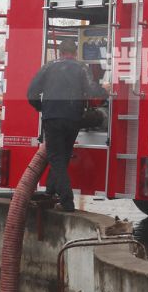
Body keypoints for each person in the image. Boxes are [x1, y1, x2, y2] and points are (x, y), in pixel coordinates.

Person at [27, 39, 107, 211]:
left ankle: (67, 202)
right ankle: (51, 191)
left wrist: (42, 108)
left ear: (60, 52)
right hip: (73, 119)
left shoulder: (48, 67)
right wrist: (106, 90)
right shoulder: (81, 68)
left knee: (56, 158)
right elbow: (92, 90)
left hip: (52, 118)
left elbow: (31, 93)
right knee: (62, 157)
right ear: (75, 52)